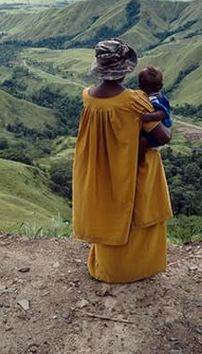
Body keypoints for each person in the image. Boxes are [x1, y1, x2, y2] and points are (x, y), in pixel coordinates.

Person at [72, 37, 173, 283]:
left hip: (101, 169)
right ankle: (136, 269)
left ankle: (107, 268)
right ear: (125, 69)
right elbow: (162, 136)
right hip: (134, 168)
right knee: (136, 214)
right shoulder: (134, 101)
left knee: (109, 212)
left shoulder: (88, 97)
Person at [137, 66, 173, 163]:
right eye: (145, 86)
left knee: (143, 141)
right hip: (155, 130)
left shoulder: (158, 99)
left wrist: (150, 117)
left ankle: (138, 162)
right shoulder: (148, 97)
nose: (148, 90)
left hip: (159, 131)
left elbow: (163, 113)